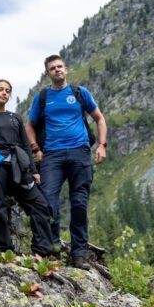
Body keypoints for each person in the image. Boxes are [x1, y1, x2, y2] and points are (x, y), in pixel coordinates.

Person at [25, 54, 108, 271]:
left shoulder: (79, 93)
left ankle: (79, 254)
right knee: (48, 203)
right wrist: (35, 149)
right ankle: (51, 250)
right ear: (47, 73)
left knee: (79, 204)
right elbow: (30, 125)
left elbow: (99, 118)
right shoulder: (42, 97)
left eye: (60, 67)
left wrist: (101, 145)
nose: (57, 70)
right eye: (52, 68)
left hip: (80, 152)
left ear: (66, 69)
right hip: (52, 155)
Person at [0, 79, 55, 257]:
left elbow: (25, 145)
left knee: (39, 204)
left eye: (7, 91)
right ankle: (3, 249)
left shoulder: (15, 117)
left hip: (18, 164)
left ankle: (43, 250)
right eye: (0, 89)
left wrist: (34, 171)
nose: (4, 93)